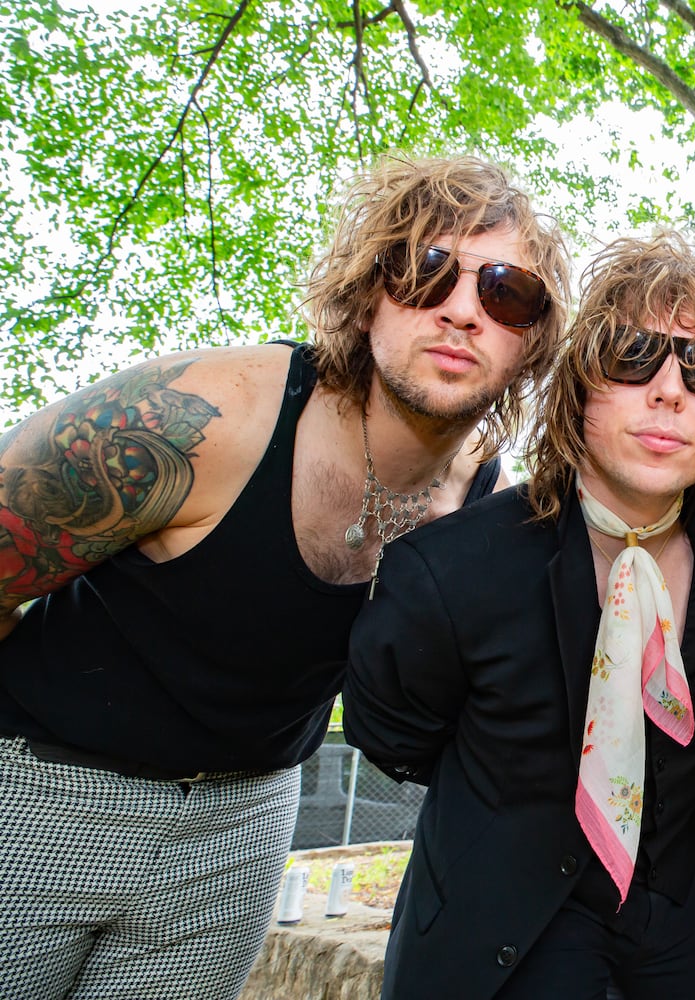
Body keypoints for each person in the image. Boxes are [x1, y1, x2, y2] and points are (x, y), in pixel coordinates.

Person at [0, 154, 569, 1000]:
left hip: (244, 832)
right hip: (44, 792)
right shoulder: (200, 419)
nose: (460, 309)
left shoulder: (486, 494)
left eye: (506, 291)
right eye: (423, 270)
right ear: (366, 292)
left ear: (532, 345)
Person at [341, 231, 695, 999]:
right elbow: (394, 736)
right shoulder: (448, 568)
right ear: (579, 384)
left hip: (677, 932)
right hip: (498, 936)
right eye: (633, 356)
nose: (669, 391)